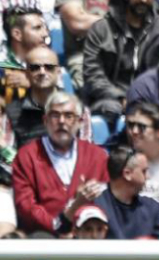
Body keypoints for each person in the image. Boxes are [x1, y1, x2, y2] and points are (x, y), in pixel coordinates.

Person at [12, 92, 109, 235]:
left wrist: (79, 232)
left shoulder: (98, 156)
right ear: (45, 121)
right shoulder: (27, 156)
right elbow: (26, 207)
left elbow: (107, 202)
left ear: (80, 122)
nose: (61, 121)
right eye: (55, 115)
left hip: (88, 237)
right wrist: (58, 227)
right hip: (45, 239)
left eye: (69, 116)